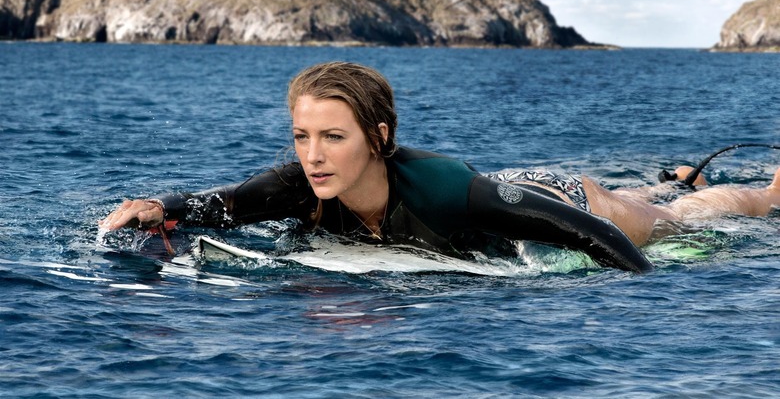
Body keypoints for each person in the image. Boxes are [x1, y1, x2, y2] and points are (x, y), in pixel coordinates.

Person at [100, 62, 780, 273]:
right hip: (504, 201)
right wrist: (159, 208)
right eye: (302, 135)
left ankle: (766, 190)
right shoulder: (296, 186)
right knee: (662, 194)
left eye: (332, 136)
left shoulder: (449, 189)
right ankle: (674, 175)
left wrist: (640, 291)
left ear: (378, 136)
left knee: (672, 214)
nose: (312, 154)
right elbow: (219, 205)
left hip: (558, 197)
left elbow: (587, 235)